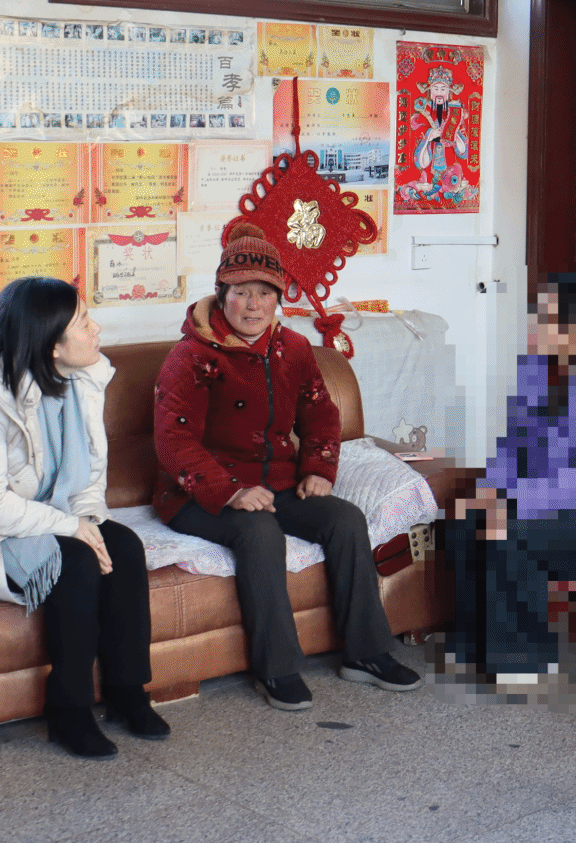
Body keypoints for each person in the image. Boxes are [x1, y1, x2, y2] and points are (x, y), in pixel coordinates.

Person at [152, 220, 420, 708]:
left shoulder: (292, 349)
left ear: (278, 298)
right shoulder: (190, 356)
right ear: (221, 295)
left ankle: (366, 653)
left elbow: (321, 413)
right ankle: (275, 669)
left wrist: (318, 468)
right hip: (198, 492)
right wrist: (231, 492)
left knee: (345, 519)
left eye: (264, 293)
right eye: (240, 293)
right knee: (258, 532)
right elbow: (174, 441)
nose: (252, 305)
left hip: (276, 482)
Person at [0, 276, 165, 759]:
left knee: (123, 547)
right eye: (83, 322)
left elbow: (89, 472)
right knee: (73, 563)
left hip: (50, 513)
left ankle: (128, 691)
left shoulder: (83, 380)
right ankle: (68, 710)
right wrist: (73, 529)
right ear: (52, 343)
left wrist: (89, 521)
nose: (96, 329)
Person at [446, 274, 576, 687]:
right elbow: (513, 445)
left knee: (511, 532)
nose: (533, 326)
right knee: (464, 519)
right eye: (536, 316)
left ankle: (522, 659)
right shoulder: (537, 372)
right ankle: (475, 643)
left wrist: (514, 503)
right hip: (551, 502)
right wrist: (490, 489)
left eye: (544, 319)